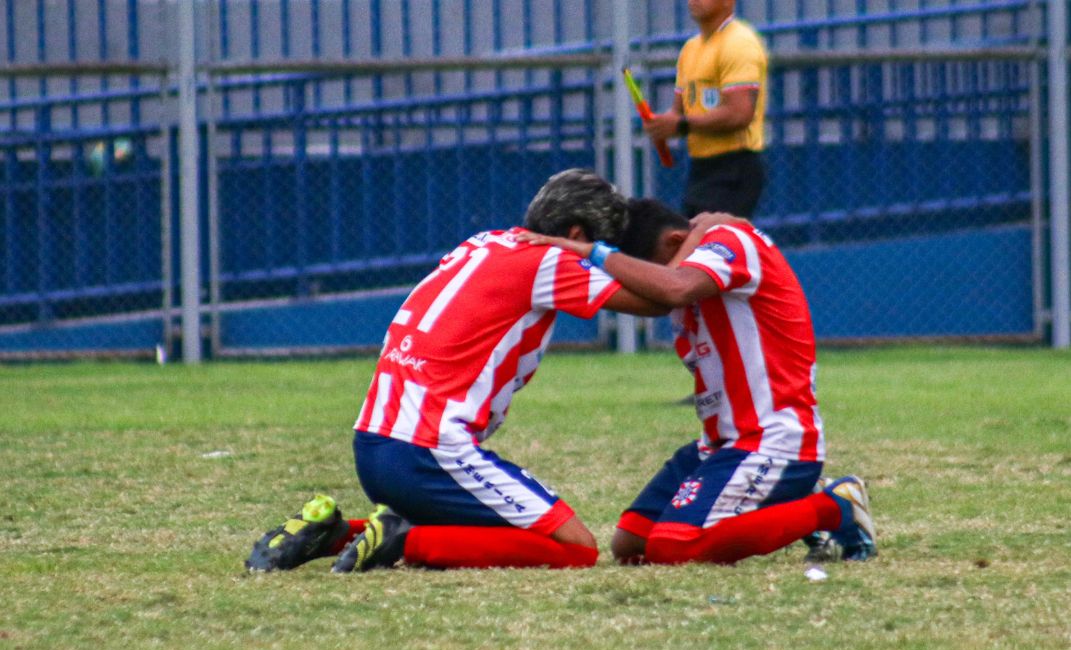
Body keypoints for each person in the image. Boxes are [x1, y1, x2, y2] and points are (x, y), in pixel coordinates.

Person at [244, 169, 672, 573]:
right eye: (600, 246)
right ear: (576, 235)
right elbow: (661, 299)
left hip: (373, 444)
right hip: (428, 451)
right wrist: (686, 249)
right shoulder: (551, 261)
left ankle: (334, 534)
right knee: (574, 548)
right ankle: (403, 540)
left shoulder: (483, 242)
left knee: (492, 530)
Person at [519, 199, 877, 565]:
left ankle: (833, 508)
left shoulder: (731, 239)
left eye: (651, 270)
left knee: (675, 548)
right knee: (630, 544)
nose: (649, 287)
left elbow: (676, 286)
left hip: (771, 439)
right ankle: (788, 500)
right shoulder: (693, 253)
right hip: (720, 444)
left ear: (676, 241)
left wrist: (595, 253)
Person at [644, 0, 769, 219]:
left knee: (711, 245)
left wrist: (681, 125)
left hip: (734, 167)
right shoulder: (690, 49)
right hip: (700, 167)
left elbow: (739, 113)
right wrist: (662, 124)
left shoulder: (739, 43)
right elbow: (679, 113)